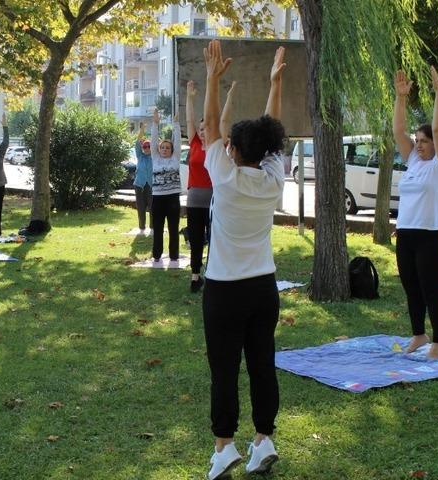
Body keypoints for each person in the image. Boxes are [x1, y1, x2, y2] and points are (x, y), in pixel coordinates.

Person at [202, 41, 286, 479]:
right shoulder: (272, 179)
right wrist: (275, 85)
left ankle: (224, 447)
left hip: (224, 291)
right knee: (261, 365)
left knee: (224, 370)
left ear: (232, 149)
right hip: (263, 289)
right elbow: (271, 133)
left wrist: (212, 80)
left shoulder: (226, 177)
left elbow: (210, 124)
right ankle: (263, 439)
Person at [393, 68, 438, 360]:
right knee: (411, 289)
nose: (418, 144)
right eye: (417, 140)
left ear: (435, 144)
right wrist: (400, 97)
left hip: (432, 236)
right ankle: (419, 334)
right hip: (406, 234)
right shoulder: (414, 161)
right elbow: (398, 131)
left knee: (431, 291)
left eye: (424, 140)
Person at [185, 80, 213, 292]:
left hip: (214, 200)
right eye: (200, 129)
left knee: (214, 238)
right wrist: (190, 97)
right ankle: (195, 277)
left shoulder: (218, 146)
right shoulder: (194, 142)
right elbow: (189, 119)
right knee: (195, 239)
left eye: (205, 129)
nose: (202, 131)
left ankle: (212, 275)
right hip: (195, 199)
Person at [149, 108, 182, 263]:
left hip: (173, 198)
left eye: (167, 148)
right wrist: (155, 124)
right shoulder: (155, 158)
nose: (164, 149)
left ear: (172, 150)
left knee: (173, 228)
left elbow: (178, 141)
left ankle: (174, 256)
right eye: (162, 147)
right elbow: (153, 140)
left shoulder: (175, 158)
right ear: (159, 149)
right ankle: (157, 255)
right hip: (158, 199)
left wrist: (176, 124)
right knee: (158, 228)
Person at [132, 122, 153, 234]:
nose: (147, 148)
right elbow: (137, 142)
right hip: (139, 185)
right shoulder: (140, 156)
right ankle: (141, 227)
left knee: (152, 207)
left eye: (149, 146)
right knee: (140, 207)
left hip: (151, 185)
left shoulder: (155, 157)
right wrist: (142, 130)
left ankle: (153, 228)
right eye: (145, 146)